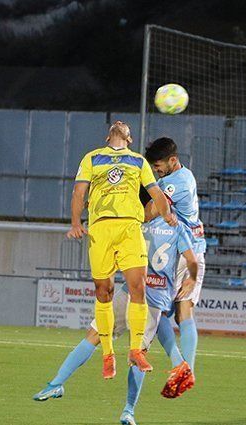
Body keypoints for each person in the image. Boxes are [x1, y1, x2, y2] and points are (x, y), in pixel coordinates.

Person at [34, 210, 199, 425]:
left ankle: (129, 410)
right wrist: (192, 278)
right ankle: (56, 384)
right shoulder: (170, 225)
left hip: (149, 300)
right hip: (136, 292)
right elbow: (192, 260)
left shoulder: (138, 222)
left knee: (137, 354)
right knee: (98, 336)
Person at [67, 121, 176, 379]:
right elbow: (78, 192)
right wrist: (74, 223)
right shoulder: (92, 158)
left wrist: (167, 213)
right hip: (101, 228)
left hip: (129, 228)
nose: (119, 124)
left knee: (139, 287)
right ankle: (107, 354)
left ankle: (136, 350)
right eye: (115, 125)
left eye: (123, 125)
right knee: (104, 291)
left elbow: (156, 192)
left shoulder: (138, 161)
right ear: (110, 136)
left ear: (129, 138)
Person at [144, 137, 206, 375]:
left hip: (181, 252)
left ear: (173, 160)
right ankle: (185, 368)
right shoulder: (185, 176)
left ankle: (182, 366)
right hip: (190, 247)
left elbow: (150, 213)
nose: (155, 170)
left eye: (158, 165)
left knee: (161, 309)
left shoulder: (174, 182)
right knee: (180, 313)